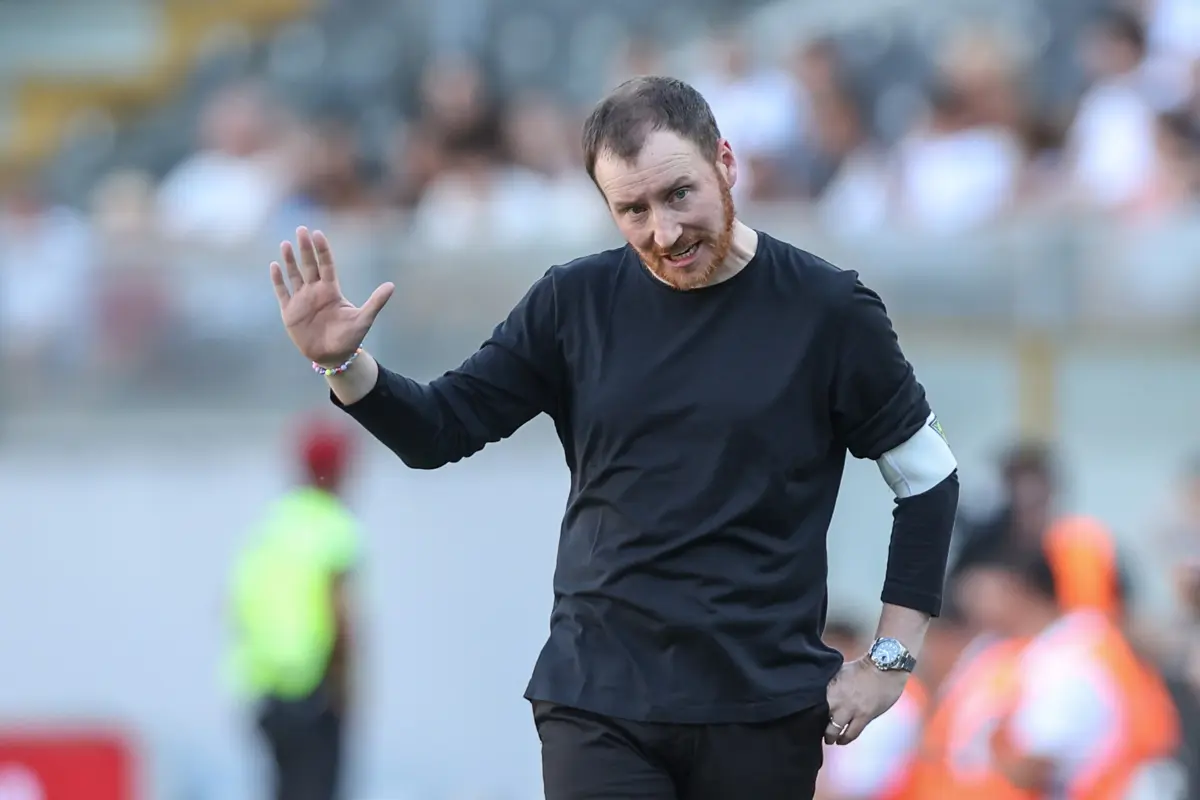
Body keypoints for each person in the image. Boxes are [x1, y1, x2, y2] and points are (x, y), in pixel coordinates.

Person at [267, 76, 960, 799]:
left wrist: (890, 662)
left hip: (761, 709)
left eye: (679, 194)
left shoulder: (829, 309)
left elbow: (928, 478)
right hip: (598, 698)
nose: (665, 232)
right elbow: (440, 430)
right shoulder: (572, 303)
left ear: (725, 162)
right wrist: (342, 363)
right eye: (633, 210)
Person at [226, 416, 360, 800]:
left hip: (263, 691)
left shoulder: (272, 524)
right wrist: (347, 693)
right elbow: (340, 616)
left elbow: (236, 604)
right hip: (314, 692)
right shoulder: (334, 525)